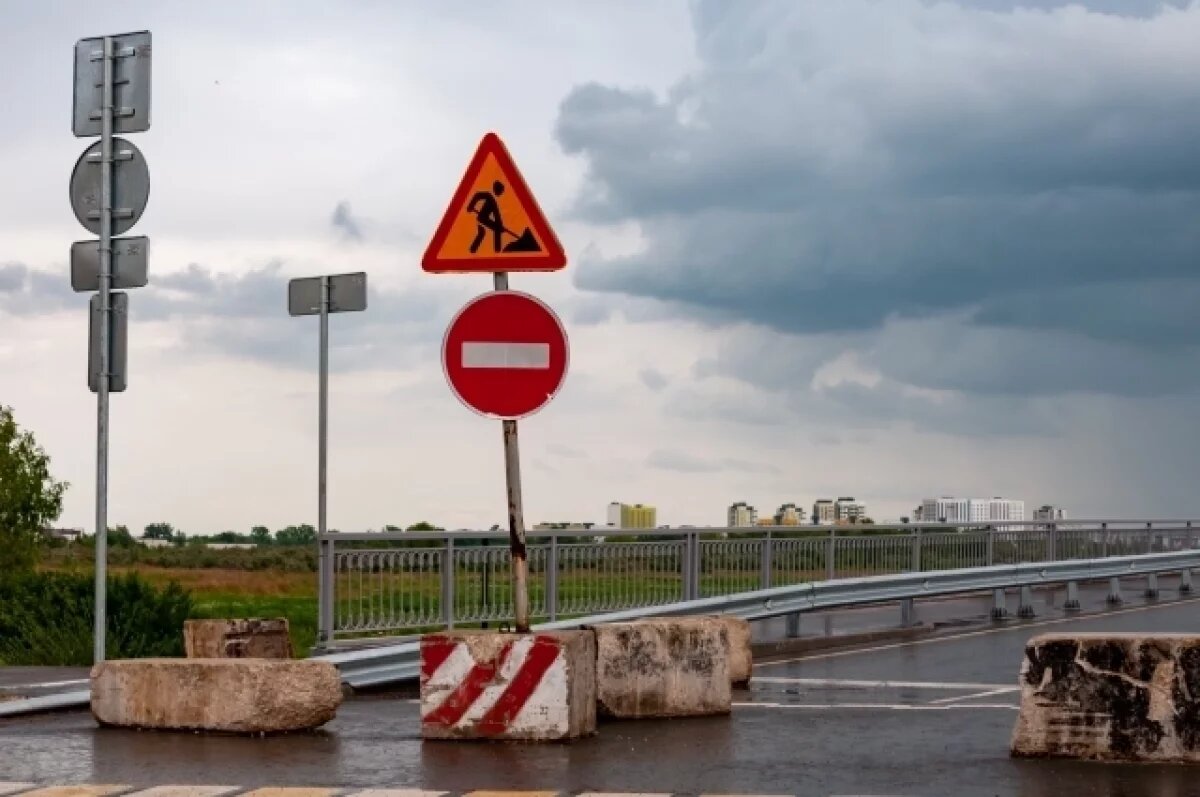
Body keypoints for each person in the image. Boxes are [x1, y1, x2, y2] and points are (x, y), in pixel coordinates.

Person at [468, 180, 507, 254]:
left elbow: (497, 215)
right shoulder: (489, 196)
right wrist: (471, 205)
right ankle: (496, 252)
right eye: (501, 191)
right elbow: (477, 195)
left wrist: (500, 226)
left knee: (494, 230)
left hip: (484, 219)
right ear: (497, 189)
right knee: (484, 233)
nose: (501, 193)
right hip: (482, 218)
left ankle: (497, 252)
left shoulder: (493, 200)